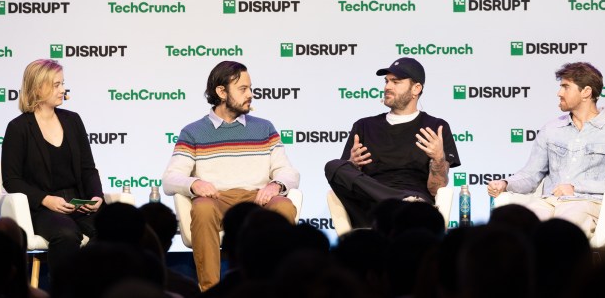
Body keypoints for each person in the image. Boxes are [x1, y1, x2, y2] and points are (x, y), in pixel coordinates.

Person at [162, 60, 300, 291]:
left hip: (257, 198)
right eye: (243, 89)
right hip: (217, 199)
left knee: (284, 206)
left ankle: (279, 287)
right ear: (221, 91)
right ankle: (210, 289)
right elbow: (170, 179)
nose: (251, 95)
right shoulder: (193, 131)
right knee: (202, 208)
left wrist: (275, 185)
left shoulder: (264, 128)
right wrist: (195, 183)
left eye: (250, 88)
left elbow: (288, 171)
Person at [487, 62, 605, 239]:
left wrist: (575, 188)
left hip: (587, 203)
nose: (559, 93)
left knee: (562, 227)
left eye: (566, 87)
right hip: (549, 202)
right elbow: (531, 174)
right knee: (520, 226)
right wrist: (506, 183)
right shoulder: (552, 129)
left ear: (586, 92)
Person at [1, 59, 104, 284]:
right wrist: (46, 200)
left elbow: (88, 168)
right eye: (56, 85)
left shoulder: (73, 120)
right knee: (66, 234)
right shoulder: (18, 128)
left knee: (113, 227)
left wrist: (96, 196)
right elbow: (12, 180)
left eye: (62, 83)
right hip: (42, 208)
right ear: (38, 88)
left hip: (79, 202)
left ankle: (93, 286)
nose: (63, 89)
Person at [325, 57, 461, 228]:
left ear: (416, 88)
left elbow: (437, 189)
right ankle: (400, 200)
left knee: (413, 209)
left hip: (414, 207)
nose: (387, 87)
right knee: (333, 166)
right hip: (372, 206)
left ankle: (404, 203)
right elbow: (349, 178)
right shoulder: (364, 125)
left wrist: (438, 159)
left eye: (396, 82)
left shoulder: (435, 127)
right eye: (387, 81)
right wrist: (353, 164)